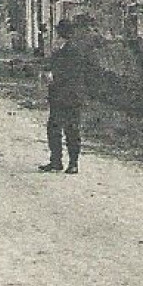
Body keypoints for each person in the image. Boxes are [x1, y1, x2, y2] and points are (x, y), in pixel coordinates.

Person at [40, 18, 87, 174]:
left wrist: (53, 76)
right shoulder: (58, 50)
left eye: (59, 33)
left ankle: (73, 163)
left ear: (62, 34)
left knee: (71, 130)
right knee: (53, 129)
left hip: (71, 97)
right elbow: (50, 67)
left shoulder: (74, 51)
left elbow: (71, 73)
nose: (57, 36)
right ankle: (56, 162)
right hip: (58, 96)